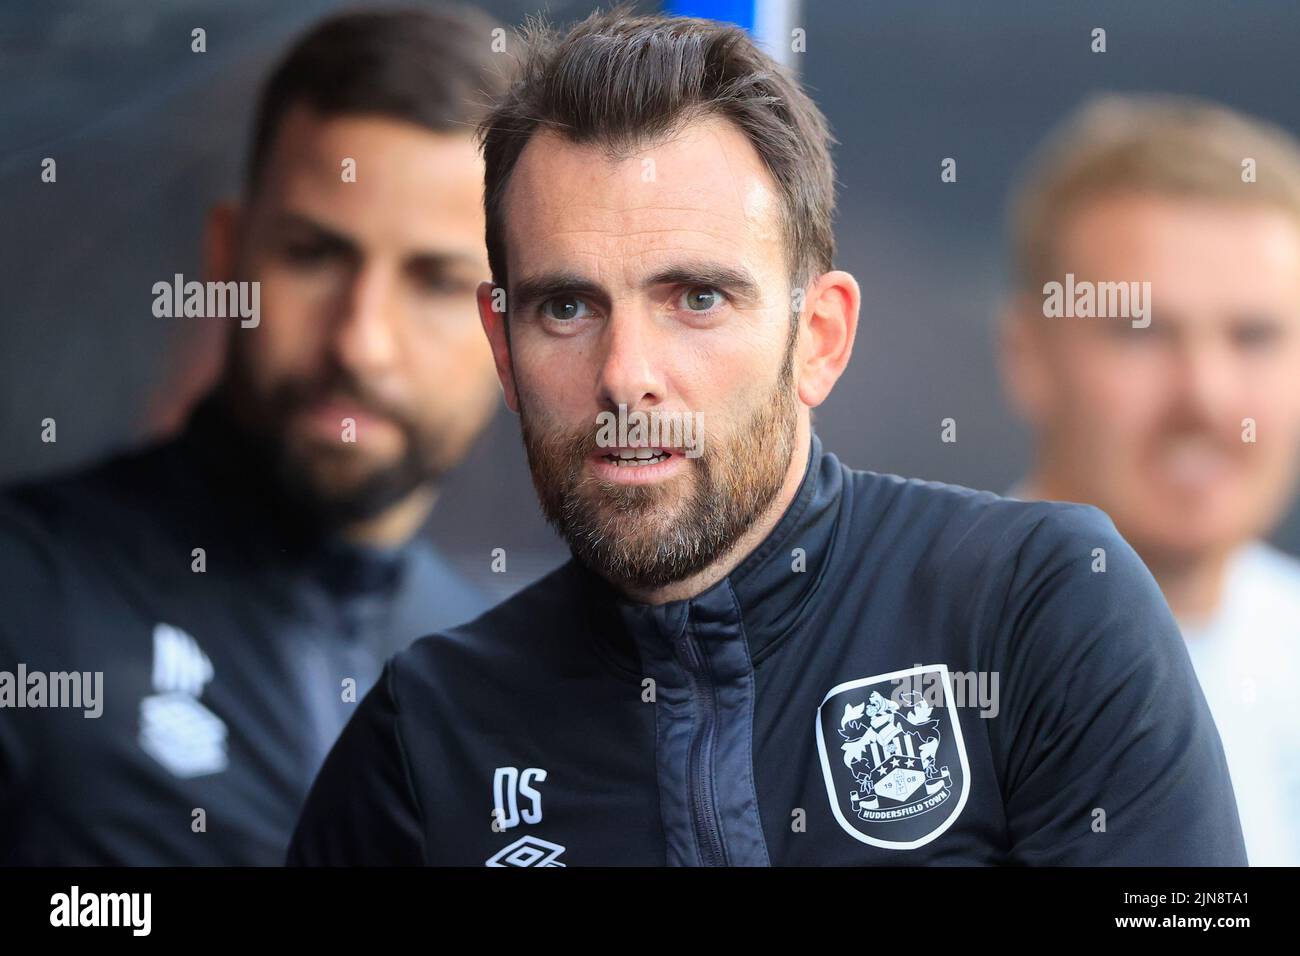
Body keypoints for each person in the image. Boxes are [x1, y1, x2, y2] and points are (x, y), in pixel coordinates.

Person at [288, 9, 1245, 866]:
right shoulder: (426, 740)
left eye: (697, 298)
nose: (626, 373)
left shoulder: (1036, 608)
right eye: (568, 307)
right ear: (502, 347)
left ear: (818, 339)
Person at [0, 6, 504, 865]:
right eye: (313, 254)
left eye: (436, 282)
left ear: (515, 323)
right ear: (228, 257)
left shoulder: (505, 682)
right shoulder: (23, 602)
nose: (360, 341)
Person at [1000, 94, 1300, 866]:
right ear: (1028, 354)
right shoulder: (908, 668)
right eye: (1142, 331)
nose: (1207, 395)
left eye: (1256, 336)